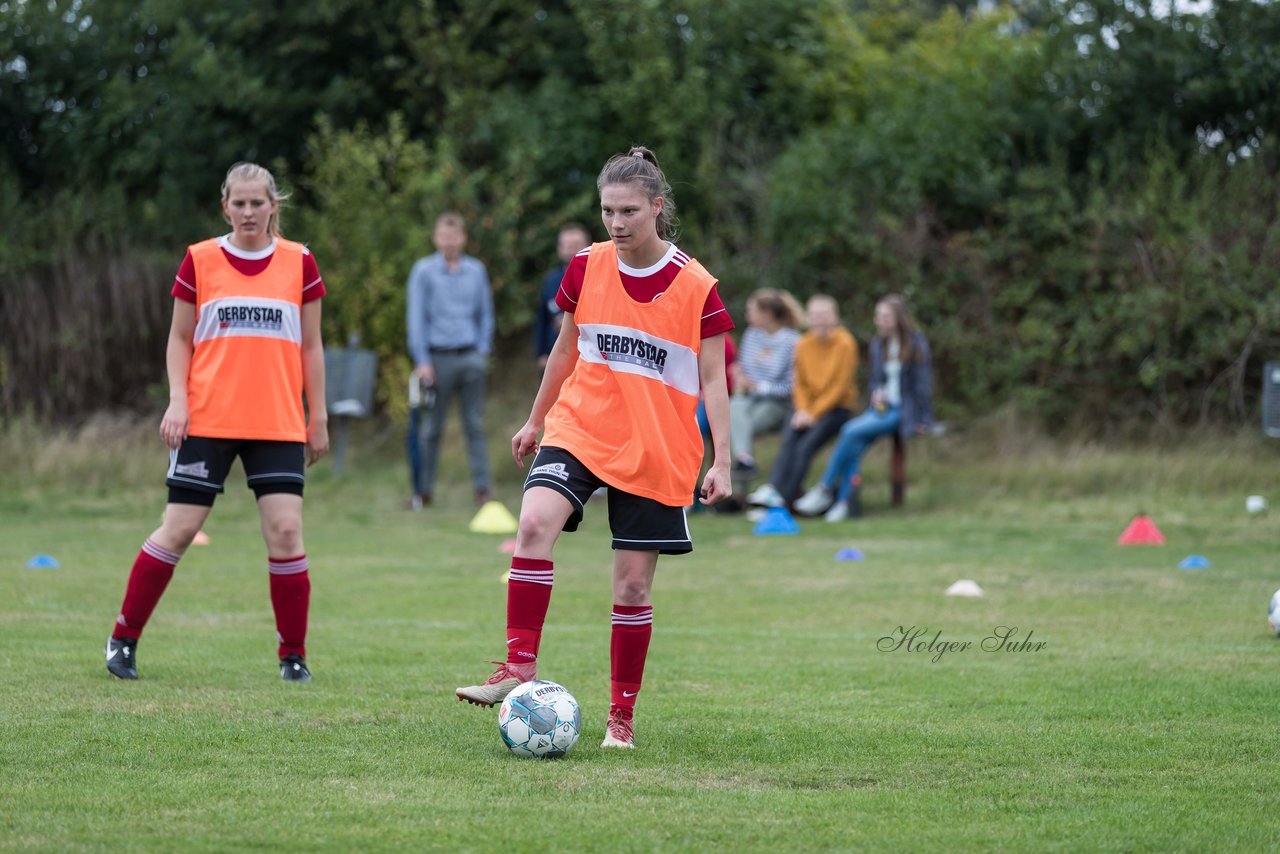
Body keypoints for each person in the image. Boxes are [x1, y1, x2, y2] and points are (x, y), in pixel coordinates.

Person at [455, 146, 735, 750]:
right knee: (532, 523)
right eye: (608, 210)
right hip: (581, 426)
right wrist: (536, 420)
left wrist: (725, 461)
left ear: (657, 207)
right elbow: (564, 351)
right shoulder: (585, 266)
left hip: (657, 447)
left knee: (631, 588)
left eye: (629, 210)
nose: (616, 222)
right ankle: (518, 666)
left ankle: (621, 719)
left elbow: (715, 380)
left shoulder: (697, 287)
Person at [104, 162, 329, 682]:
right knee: (180, 529)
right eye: (239, 202)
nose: (249, 212)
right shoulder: (200, 259)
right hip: (206, 417)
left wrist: (317, 417)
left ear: (275, 205)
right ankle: (123, 639)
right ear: (225, 205)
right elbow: (179, 339)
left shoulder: (299, 261)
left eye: (258, 202)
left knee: (287, 531)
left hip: (276, 420)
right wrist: (177, 403)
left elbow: (312, 346)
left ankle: (293, 656)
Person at [793, 293, 932, 522]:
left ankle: (825, 489)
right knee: (854, 447)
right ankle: (844, 504)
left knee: (849, 431)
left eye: (885, 316)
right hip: (881, 409)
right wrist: (876, 392)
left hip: (903, 411)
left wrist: (923, 421)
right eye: (878, 316)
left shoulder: (916, 343)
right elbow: (876, 379)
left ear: (898, 318)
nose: (880, 320)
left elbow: (923, 385)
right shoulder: (879, 343)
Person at [405, 212, 495, 508]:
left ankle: (482, 489)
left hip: (470, 357)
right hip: (437, 359)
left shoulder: (476, 270)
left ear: (462, 239)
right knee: (431, 429)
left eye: (454, 236)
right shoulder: (423, 271)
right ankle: (423, 491)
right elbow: (416, 318)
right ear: (436, 238)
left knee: (475, 425)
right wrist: (422, 360)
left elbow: (486, 314)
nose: (449, 241)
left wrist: (481, 352)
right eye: (444, 236)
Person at [746, 295, 857, 509]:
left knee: (805, 447)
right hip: (805, 410)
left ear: (835, 317)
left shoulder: (845, 343)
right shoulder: (804, 343)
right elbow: (800, 384)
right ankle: (773, 489)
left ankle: (784, 502)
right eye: (815, 316)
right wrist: (803, 410)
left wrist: (812, 414)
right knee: (789, 440)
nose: (820, 321)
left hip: (836, 408)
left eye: (824, 316)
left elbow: (839, 387)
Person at [727, 288, 804, 483]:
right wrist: (739, 374)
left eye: (751, 311)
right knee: (734, 407)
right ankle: (745, 462)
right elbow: (743, 366)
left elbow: (791, 386)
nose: (747, 316)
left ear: (767, 314)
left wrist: (756, 387)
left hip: (777, 403)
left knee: (738, 427)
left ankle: (739, 491)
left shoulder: (792, 341)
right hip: (748, 399)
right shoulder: (752, 335)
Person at [534, 222, 592, 372]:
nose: (570, 248)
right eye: (565, 244)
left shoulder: (597, 278)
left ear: (588, 246)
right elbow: (542, 319)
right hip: (554, 356)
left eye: (575, 244)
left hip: (586, 359)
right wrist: (541, 353)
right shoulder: (550, 281)